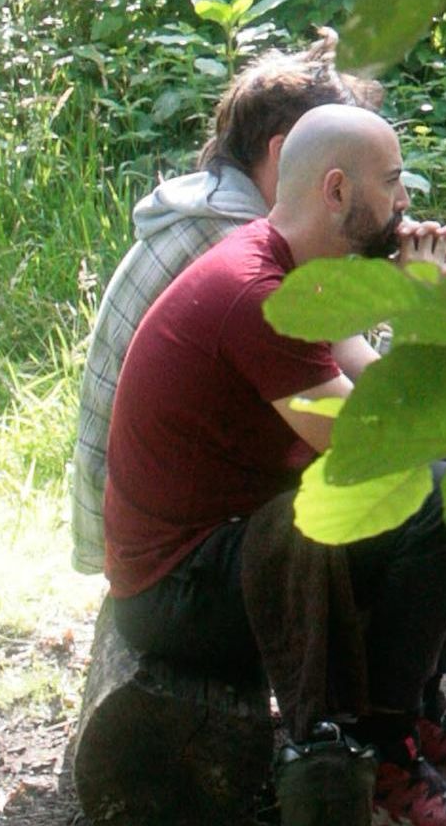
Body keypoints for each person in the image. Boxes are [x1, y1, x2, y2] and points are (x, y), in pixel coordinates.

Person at [99, 106, 446, 826]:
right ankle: (385, 757)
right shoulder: (259, 290)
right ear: (336, 190)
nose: (405, 203)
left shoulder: (299, 269)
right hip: (178, 589)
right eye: (393, 183)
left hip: (235, 547)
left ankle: (416, 714)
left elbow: (373, 386)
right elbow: (356, 437)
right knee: (441, 496)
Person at [71, 42, 377, 577]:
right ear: (286, 155)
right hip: (166, 530)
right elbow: (344, 408)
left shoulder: (221, 208)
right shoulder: (234, 239)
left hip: (143, 502)